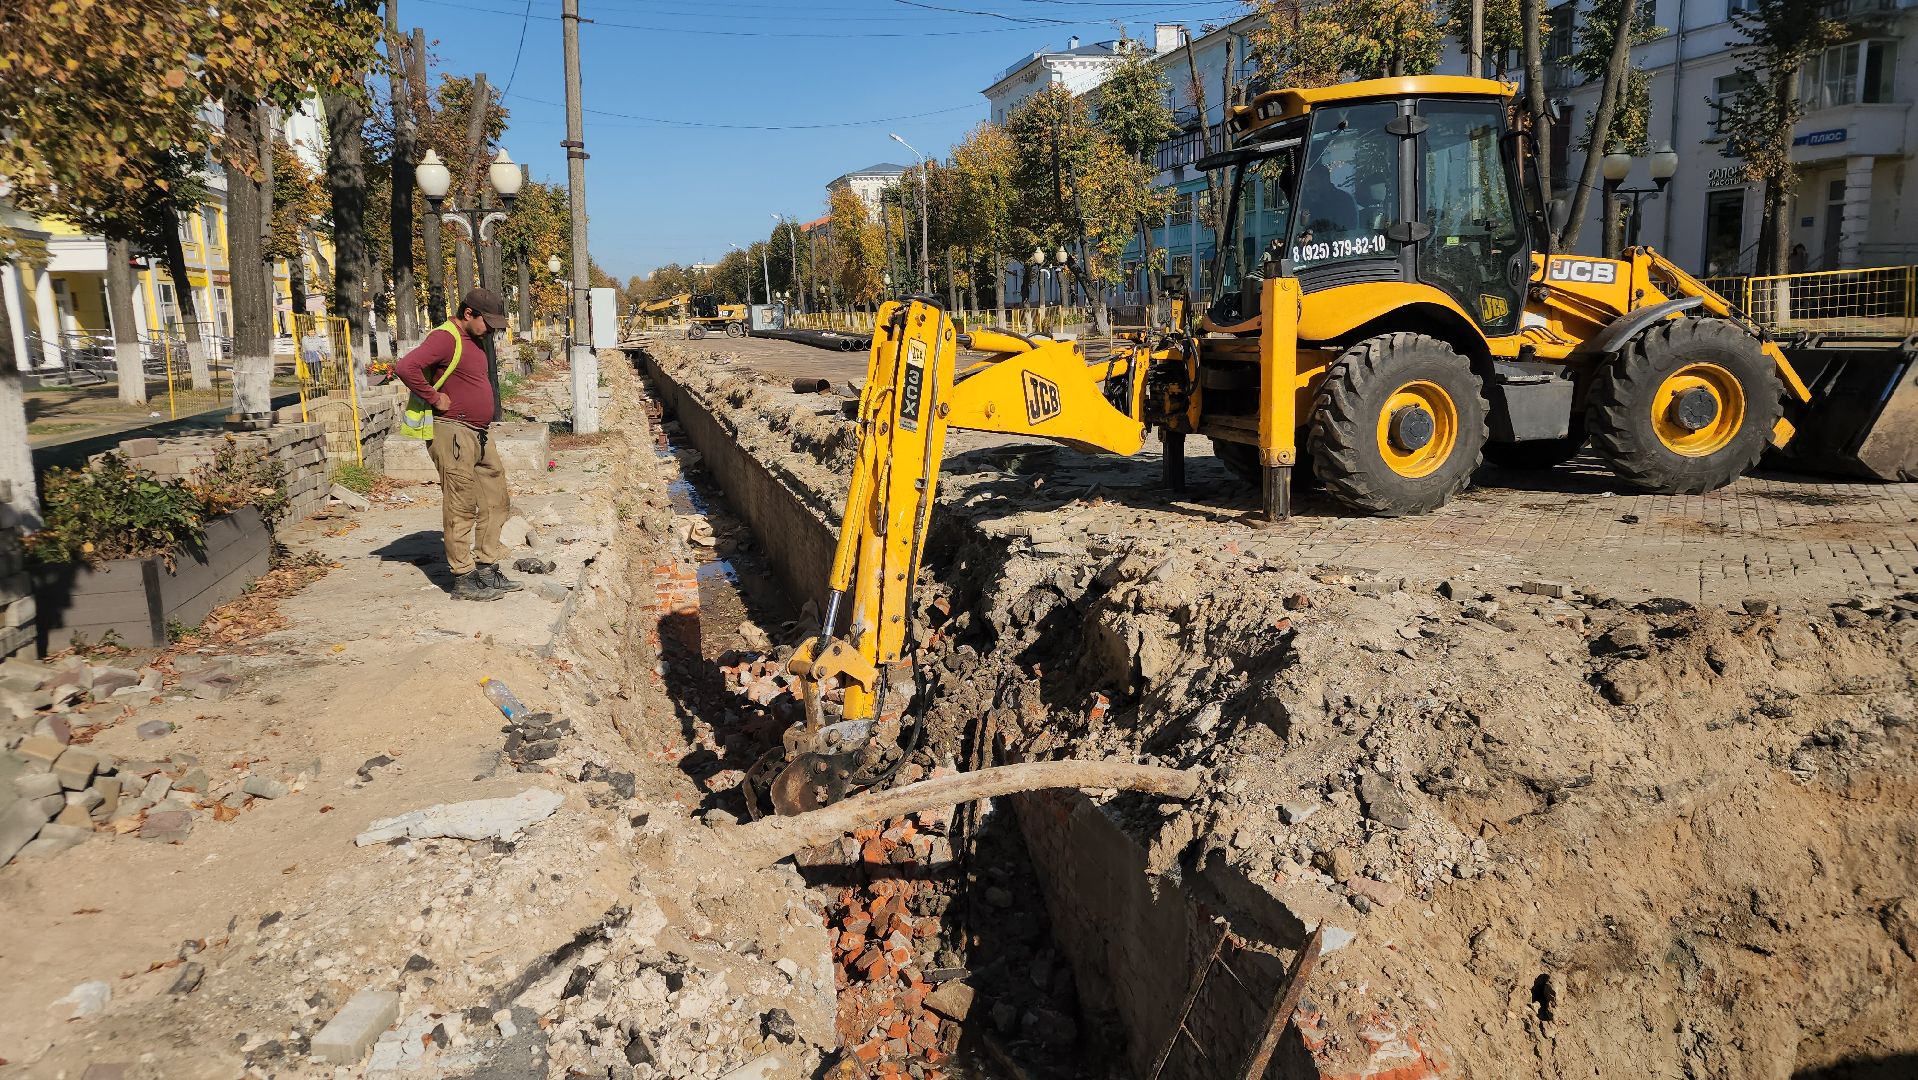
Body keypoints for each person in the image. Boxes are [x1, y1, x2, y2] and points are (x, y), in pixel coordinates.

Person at [395, 287, 522, 602]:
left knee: (497, 500)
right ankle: (463, 577)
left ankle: (486, 567)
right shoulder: (445, 337)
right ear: (468, 313)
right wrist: (435, 398)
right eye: (487, 322)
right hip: (452, 431)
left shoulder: (475, 340)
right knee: (461, 504)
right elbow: (405, 367)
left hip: (479, 432)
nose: (491, 329)